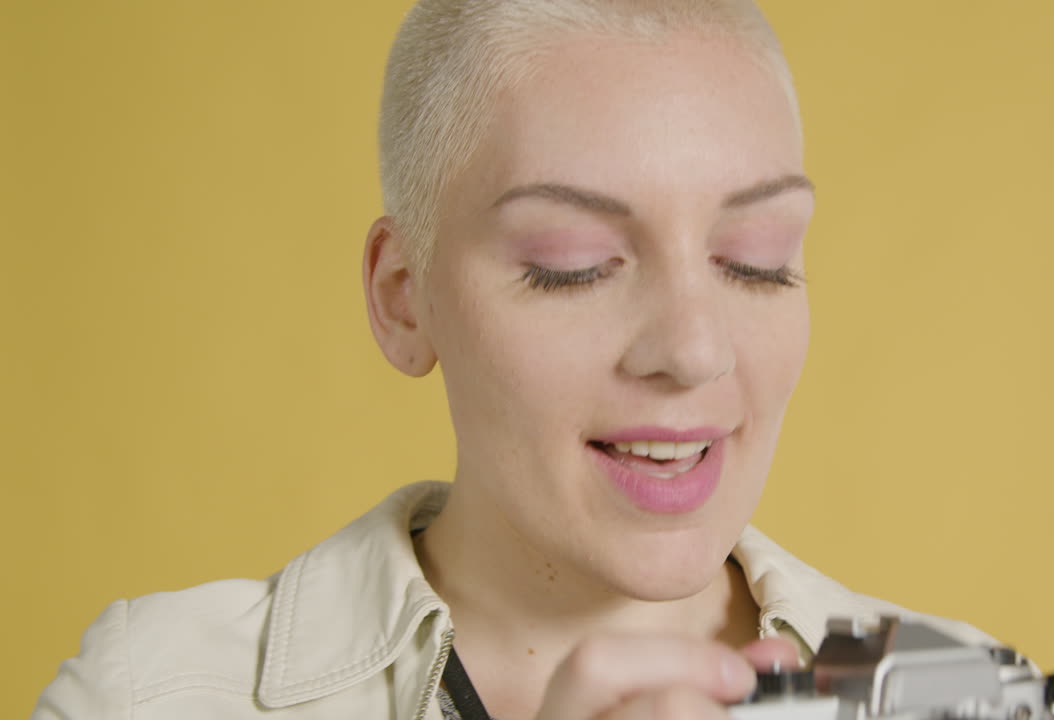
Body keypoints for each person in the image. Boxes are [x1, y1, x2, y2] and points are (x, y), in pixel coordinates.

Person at [34, 1, 1000, 718]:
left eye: (757, 263)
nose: (694, 351)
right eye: (572, 269)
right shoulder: (153, 693)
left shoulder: (959, 691)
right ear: (402, 297)